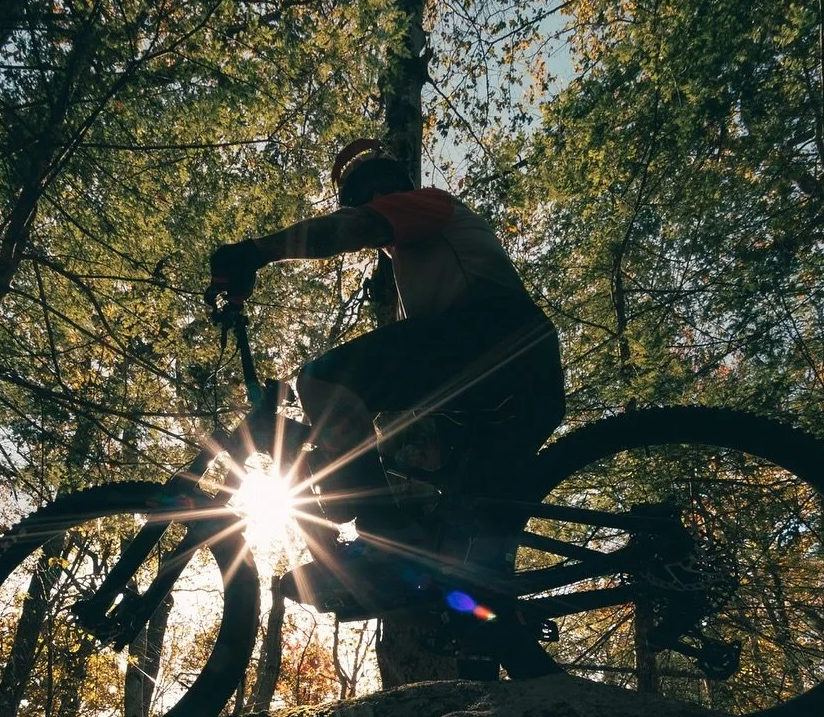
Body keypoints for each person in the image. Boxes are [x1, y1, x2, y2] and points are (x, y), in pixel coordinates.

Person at [205, 141, 565, 552]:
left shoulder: (427, 204)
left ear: (387, 188)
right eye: (357, 201)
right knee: (459, 538)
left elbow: (347, 230)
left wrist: (254, 252)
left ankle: (382, 533)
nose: (365, 206)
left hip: (497, 337)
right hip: (514, 383)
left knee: (323, 380)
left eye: (365, 196)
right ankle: (482, 599)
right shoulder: (419, 257)